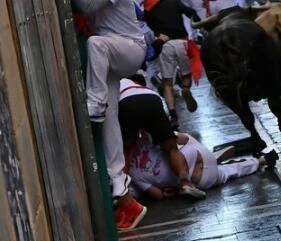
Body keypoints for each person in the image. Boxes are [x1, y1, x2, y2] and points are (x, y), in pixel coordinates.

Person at [74, 0, 148, 228]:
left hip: (130, 48)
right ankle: (122, 189)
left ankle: (95, 104)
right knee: (110, 119)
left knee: (95, 44)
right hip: (111, 51)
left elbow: (86, 7)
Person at [119, 74, 205, 199]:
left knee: (126, 151)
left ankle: (124, 192)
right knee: (171, 148)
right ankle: (186, 183)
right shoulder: (140, 86)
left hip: (125, 102)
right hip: (152, 99)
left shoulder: (114, 80)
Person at [126, 132, 264, 199]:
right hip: (199, 156)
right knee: (183, 138)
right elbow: (184, 139)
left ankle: (258, 161)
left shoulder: (132, 173)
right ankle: (215, 157)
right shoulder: (146, 138)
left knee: (227, 173)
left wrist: (169, 191)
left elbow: (158, 195)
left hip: (200, 181)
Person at [143, 0, 203, 128]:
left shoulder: (148, 10)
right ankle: (186, 88)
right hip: (182, 43)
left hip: (166, 46)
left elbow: (149, 28)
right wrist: (198, 24)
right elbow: (191, 12)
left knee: (167, 84)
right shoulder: (173, 2)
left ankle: (173, 115)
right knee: (186, 74)